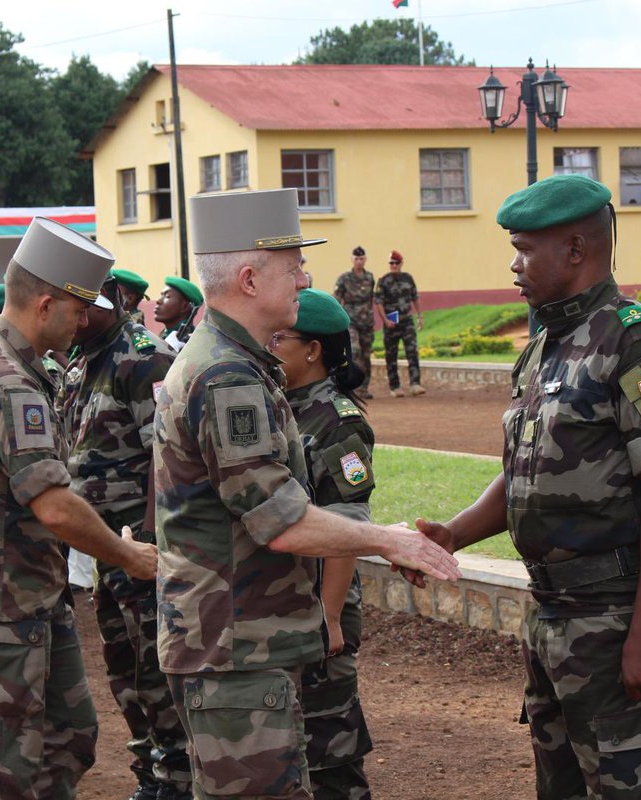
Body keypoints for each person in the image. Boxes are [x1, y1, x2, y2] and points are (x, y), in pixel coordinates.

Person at [154, 188, 460, 800]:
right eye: (292, 266)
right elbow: (281, 521)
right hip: (237, 648)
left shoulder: (233, 362)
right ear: (248, 278)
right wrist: (388, 540)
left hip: (237, 641)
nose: (305, 277)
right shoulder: (227, 377)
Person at [413, 174, 641, 800]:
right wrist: (454, 534)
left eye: (524, 250)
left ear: (575, 249)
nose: (514, 266)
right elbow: (530, 469)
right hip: (553, 618)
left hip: (614, 614)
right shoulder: (544, 341)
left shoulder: (632, 339)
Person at [0, 217, 158, 799]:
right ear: (47, 303)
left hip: (28, 587)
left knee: (69, 736)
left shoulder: (4, 361)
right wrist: (128, 555)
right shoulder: (7, 381)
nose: (86, 319)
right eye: (79, 307)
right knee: (2, 763)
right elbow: (54, 507)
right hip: (3, 593)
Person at [61, 274, 190, 800]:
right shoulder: (81, 357)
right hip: (105, 546)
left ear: (106, 303)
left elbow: (167, 456)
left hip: (140, 547)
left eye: (78, 309)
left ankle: (179, 779)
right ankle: (151, 772)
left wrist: (149, 543)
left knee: (157, 668)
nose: (70, 319)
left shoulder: (143, 359)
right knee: (123, 667)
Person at [272, 288, 376, 800]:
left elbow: (347, 525)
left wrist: (331, 617)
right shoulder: (280, 406)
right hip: (289, 605)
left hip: (321, 609)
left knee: (330, 756)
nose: (268, 346)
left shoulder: (338, 421)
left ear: (312, 350)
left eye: (280, 338)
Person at [374, 250, 424, 398]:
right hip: (391, 323)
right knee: (391, 354)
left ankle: (415, 384)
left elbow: (415, 297)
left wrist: (419, 316)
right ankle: (395, 386)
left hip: (406, 320)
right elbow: (379, 302)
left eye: (396, 263)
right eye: (391, 263)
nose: (393, 265)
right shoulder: (383, 280)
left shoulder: (408, 278)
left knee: (412, 351)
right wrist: (385, 320)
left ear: (401, 263)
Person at [332, 246, 375, 399]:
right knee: (354, 350)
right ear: (352, 260)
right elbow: (337, 298)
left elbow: (371, 298)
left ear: (365, 260)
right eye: (356, 259)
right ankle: (353, 386)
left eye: (361, 258)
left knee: (366, 355)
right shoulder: (344, 278)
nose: (359, 261)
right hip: (351, 320)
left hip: (367, 321)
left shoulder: (370, 277)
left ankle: (364, 387)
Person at [153, 276, 202, 351]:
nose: (158, 301)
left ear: (184, 306)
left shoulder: (192, 341)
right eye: (161, 295)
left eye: (167, 296)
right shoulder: (163, 335)